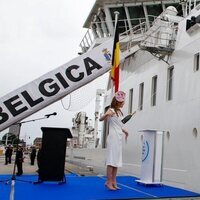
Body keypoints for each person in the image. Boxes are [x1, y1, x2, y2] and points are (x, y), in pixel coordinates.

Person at [99, 91, 130, 191]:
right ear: (116, 102)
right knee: (111, 160)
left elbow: (118, 125)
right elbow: (100, 119)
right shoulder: (111, 110)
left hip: (119, 137)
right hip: (112, 137)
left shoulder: (120, 112)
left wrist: (124, 131)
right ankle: (108, 182)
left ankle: (114, 181)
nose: (122, 103)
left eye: (123, 101)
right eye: (121, 101)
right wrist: (105, 114)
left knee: (116, 161)